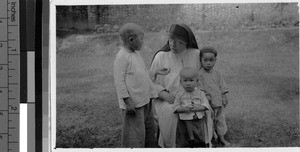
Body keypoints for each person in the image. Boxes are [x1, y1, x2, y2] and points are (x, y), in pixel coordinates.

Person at [150, 23, 211, 147]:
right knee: (169, 111)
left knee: (204, 108)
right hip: (168, 98)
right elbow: (151, 82)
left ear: (186, 43)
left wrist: (200, 95)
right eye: (171, 40)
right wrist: (164, 95)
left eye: (179, 42)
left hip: (193, 95)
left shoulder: (195, 54)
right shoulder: (161, 56)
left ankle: (201, 142)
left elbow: (203, 78)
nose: (173, 44)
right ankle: (172, 145)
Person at [113, 23, 161, 148]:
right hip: (134, 104)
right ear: (131, 40)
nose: (143, 42)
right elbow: (119, 82)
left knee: (149, 128)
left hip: (145, 100)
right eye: (142, 39)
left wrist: (156, 73)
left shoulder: (136, 54)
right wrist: (127, 101)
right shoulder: (122, 57)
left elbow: (142, 73)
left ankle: (149, 146)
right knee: (134, 134)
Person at [198, 46, 231, 147]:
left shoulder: (217, 73)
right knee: (209, 122)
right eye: (205, 60)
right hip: (208, 105)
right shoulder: (200, 74)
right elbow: (200, 89)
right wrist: (206, 98)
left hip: (219, 103)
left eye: (211, 60)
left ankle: (222, 138)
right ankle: (210, 139)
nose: (208, 63)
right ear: (201, 60)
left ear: (215, 60)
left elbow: (223, 86)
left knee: (220, 120)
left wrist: (224, 97)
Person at [173, 67, 213, 147]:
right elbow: (175, 107)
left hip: (198, 119)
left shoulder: (200, 93)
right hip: (184, 120)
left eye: (191, 80)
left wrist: (198, 108)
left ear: (197, 81)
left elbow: (206, 104)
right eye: (185, 81)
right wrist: (183, 109)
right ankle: (189, 142)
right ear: (180, 82)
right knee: (184, 134)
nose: (188, 83)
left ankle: (200, 143)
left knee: (199, 133)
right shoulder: (179, 94)